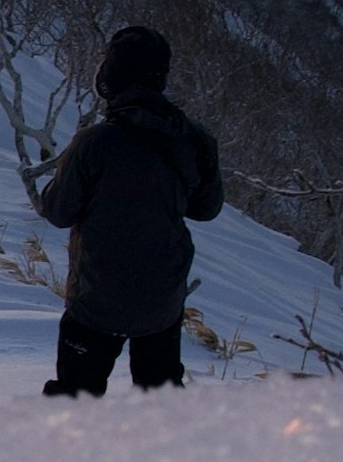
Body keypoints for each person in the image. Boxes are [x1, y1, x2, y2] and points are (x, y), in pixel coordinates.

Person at [33, 24, 221, 394]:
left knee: (75, 402)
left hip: (96, 298)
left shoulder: (93, 143)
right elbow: (206, 208)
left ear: (110, 77)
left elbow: (57, 212)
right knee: (161, 402)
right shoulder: (195, 138)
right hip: (162, 301)